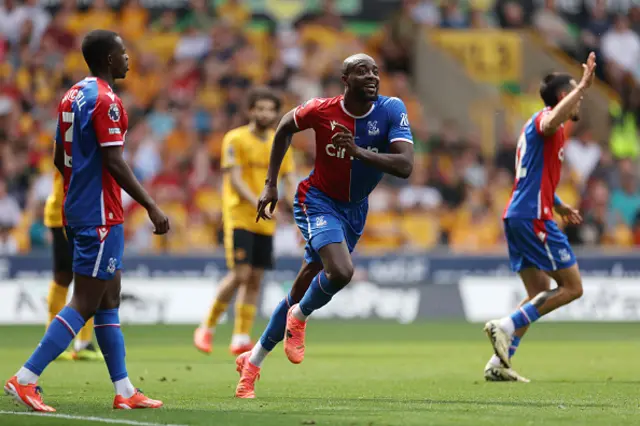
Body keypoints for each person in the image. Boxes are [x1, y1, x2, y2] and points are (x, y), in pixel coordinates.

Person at [4, 29, 170, 412]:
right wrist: (151, 206)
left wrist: (76, 187)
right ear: (110, 59)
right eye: (123, 53)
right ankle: (26, 378)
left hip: (82, 207)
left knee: (109, 298)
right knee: (84, 300)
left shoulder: (73, 94)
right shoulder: (105, 100)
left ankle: (125, 390)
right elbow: (114, 160)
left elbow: (58, 154)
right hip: (98, 213)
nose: (128, 59)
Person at [234, 53, 414, 398]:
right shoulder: (320, 109)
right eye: (363, 72)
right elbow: (284, 126)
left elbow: (405, 166)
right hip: (317, 199)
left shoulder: (392, 109)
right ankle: (299, 317)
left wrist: (358, 152)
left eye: (376, 71)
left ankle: (252, 363)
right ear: (346, 80)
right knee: (341, 271)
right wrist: (271, 183)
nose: (373, 77)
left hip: (354, 210)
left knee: (303, 282)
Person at [483, 53, 596, 382]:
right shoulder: (545, 121)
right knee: (572, 287)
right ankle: (505, 325)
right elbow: (550, 121)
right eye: (577, 92)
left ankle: (498, 363)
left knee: (539, 292)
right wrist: (584, 84)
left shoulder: (539, 130)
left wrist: (558, 204)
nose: (581, 98)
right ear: (564, 97)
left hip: (519, 214)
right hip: (533, 218)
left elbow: (532, 176)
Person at [193, 88, 297, 355]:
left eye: (269, 109)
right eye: (259, 108)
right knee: (240, 274)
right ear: (250, 110)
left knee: (255, 278)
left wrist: (298, 212)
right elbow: (235, 179)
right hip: (240, 215)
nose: (264, 113)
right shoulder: (235, 138)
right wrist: (259, 203)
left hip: (267, 220)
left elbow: (289, 180)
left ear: (276, 113)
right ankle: (207, 326)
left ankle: (240, 337)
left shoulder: (280, 141)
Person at [43, 167, 103, 361]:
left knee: (69, 276)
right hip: (70, 212)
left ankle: (59, 342)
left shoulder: (66, 137)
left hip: (69, 211)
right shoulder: (82, 137)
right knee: (78, 275)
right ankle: (77, 343)